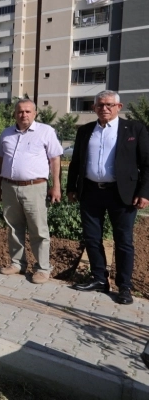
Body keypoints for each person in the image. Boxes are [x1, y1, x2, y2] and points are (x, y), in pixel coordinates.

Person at [68, 90, 149, 305]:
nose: (104, 108)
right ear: (94, 108)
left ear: (119, 107)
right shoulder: (85, 131)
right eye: (100, 105)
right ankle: (99, 279)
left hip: (122, 194)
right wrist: (71, 188)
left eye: (109, 105)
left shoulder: (134, 129)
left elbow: (147, 163)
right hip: (91, 192)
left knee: (123, 242)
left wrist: (144, 192)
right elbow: (76, 162)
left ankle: (124, 286)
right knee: (92, 238)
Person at [0, 99, 63, 284]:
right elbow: (1, 161)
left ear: (35, 113)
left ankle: (42, 268)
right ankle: (17, 263)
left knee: (38, 229)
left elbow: (55, 159)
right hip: (9, 187)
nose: (23, 114)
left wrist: (56, 186)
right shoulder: (6, 133)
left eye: (27, 111)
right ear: (14, 113)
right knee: (13, 227)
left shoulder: (45, 131)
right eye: (20, 111)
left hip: (35, 187)